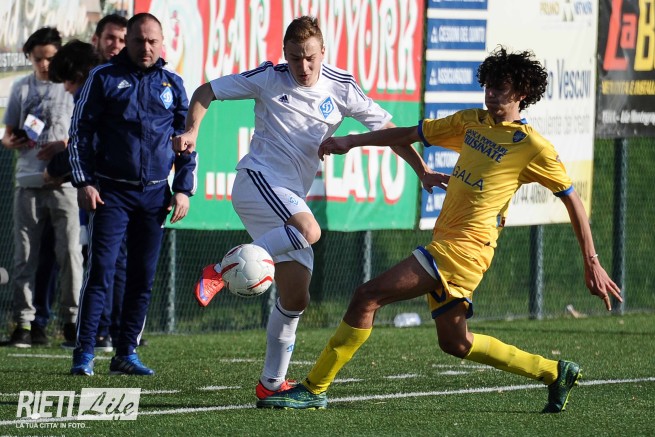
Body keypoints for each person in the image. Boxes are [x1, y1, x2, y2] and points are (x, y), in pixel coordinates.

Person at [256, 46, 623, 413]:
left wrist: (591, 261)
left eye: (501, 87)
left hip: (465, 250)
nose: (491, 93)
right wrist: (352, 141)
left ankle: (314, 388)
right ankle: (554, 372)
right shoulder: (470, 122)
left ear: (522, 93)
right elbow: (407, 134)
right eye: (489, 85)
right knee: (455, 343)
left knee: (367, 296)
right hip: (448, 243)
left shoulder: (532, 147)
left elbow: (572, 199)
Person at [173, 16, 441, 402]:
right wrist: (192, 130)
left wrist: (423, 171)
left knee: (296, 298)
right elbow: (206, 91)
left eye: (310, 57)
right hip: (257, 180)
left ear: (323, 52)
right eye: (295, 57)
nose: (303, 66)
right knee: (310, 231)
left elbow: (389, 132)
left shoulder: (341, 86)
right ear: (285, 53)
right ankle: (220, 270)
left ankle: (270, 384)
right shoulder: (269, 77)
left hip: (287, 197)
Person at [68, 12, 195, 376]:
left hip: (155, 197)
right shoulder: (103, 77)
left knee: (143, 276)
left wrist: (183, 189)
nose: (146, 47)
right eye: (139, 40)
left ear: (162, 43)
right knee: (101, 271)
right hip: (111, 193)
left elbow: (187, 141)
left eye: (153, 41)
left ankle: (126, 352)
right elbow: (79, 133)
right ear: (128, 41)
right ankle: (84, 353)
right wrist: (84, 181)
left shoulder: (173, 83)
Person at [0, 27, 83, 348]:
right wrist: (12, 140)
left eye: (50, 58)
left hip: (64, 183)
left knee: (70, 255)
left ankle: (72, 321)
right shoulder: (21, 87)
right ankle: (24, 323)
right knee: (25, 256)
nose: (45, 65)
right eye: (38, 59)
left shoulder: (71, 87)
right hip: (28, 182)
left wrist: (62, 147)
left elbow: (83, 134)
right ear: (30, 58)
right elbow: (8, 134)